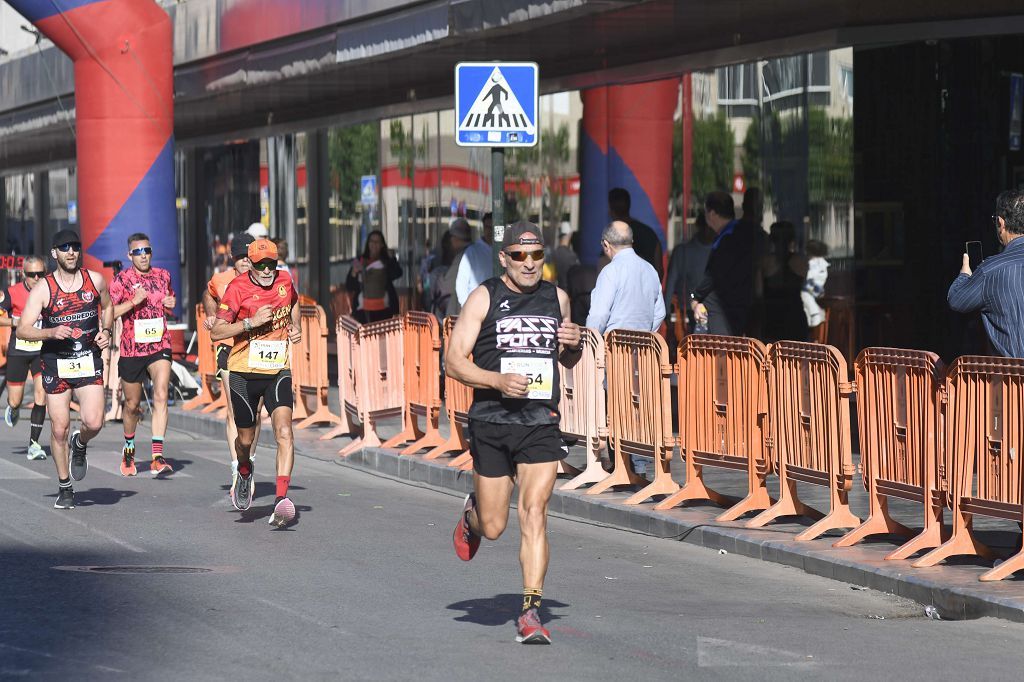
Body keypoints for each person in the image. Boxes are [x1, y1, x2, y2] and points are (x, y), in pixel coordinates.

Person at [446, 221, 582, 645]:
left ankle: (530, 610)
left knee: (535, 513)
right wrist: (497, 381)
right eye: (519, 256)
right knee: (494, 525)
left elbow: (568, 355)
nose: (529, 263)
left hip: (540, 422)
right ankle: (471, 517)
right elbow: (452, 362)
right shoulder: (485, 297)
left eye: (537, 255)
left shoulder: (556, 298)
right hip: (490, 421)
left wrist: (574, 343)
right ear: (504, 258)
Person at [17, 229, 113, 510]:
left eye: (75, 247)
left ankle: (80, 444)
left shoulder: (94, 280)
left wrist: (106, 330)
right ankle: (65, 486)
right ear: (54, 253)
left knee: (94, 422)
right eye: (65, 247)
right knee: (59, 428)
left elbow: (108, 307)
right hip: (55, 364)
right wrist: (50, 332)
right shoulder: (44, 288)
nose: (71, 252)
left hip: (87, 358)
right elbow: (23, 329)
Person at [211, 238, 302, 527]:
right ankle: (245, 468)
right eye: (260, 265)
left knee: (285, 431)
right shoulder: (237, 289)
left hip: (277, 369)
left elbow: (294, 303)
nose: (266, 270)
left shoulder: (285, 281)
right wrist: (250, 323)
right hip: (243, 373)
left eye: (271, 265)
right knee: (246, 441)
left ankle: (281, 500)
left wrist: (295, 327)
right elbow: (217, 332)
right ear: (249, 263)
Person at [109, 233, 176, 477]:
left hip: (159, 345)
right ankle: (129, 449)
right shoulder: (121, 280)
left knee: (161, 394)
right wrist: (133, 302)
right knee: (132, 405)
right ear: (129, 255)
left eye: (146, 250)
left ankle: (157, 456)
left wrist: (171, 301)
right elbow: (110, 312)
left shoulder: (163, 275)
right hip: (132, 349)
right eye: (137, 252)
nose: (143, 255)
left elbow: (170, 301)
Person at [203, 233, 262, 479]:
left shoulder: (263, 278)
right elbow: (208, 295)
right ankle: (237, 469)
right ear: (232, 258)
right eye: (240, 257)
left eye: (248, 257)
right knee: (233, 410)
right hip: (228, 346)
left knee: (255, 413)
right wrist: (211, 315)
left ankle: (249, 460)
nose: (245, 262)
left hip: (256, 348)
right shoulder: (221, 279)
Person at [948, 189, 1024, 357]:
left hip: (1013, 380)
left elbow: (957, 300)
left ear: (1000, 223)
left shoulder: (990, 271)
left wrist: (965, 275)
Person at [0, 255, 48, 460]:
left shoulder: (49, 290)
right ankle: (13, 407)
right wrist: (17, 322)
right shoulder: (12, 293)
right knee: (15, 399)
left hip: (42, 350)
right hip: (19, 351)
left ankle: (34, 444)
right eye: (31, 274)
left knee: (41, 395)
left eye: (40, 274)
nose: (36, 278)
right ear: (23, 274)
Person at [691, 191, 756, 336]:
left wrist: (695, 296)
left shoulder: (728, 238)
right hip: (746, 302)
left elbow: (715, 273)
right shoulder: (743, 231)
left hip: (729, 306)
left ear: (712, 214)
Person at [586, 221, 665, 335]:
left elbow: (599, 315)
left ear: (606, 245)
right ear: (632, 241)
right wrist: (645, 335)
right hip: (644, 348)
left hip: (613, 348)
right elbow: (660, 313)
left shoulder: (610, 271)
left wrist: (590, 341)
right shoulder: (650, 270)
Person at [663, 211, 714, 341]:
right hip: (688, 312)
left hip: (711, 311)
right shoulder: (683, 251)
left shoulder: (719, 251)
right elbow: (671, 282)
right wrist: (667, 312)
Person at [760, 221, 809, 343]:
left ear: (771, 239)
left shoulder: (764, 262)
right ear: (792, 239)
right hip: (795, 316)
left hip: (771, 317)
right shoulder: (801, 262)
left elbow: (758, 291)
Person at [346, 230, 403, 323]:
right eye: (372, 241)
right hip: (363, 311)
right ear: (368, 243)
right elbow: (350, 285)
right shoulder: (360, 260)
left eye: (377, 242)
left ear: (382, 245)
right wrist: (354, 272)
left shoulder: (386, 261)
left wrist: (392, 259)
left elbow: (397, 273)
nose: (374, 244)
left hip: (384, 310)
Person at [608, 187, 664, 280]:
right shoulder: (649, 234)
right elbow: (659, 270)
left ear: (611, 210)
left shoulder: (612, 237)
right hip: (648, 292)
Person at [453, 216, 495, 310]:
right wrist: (468, 308)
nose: (490, 231)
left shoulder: (504, 250)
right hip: (477, 309)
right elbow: (461, 284)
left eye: (493, 227)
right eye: (487, 227)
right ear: (483, 228)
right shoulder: (472, 251)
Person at [802, 240, 830, 329]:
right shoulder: (822, 263)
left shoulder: (813, 263)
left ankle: (815, 316)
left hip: (813, 290)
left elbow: (809, 279)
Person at [552, 222, 579, 290]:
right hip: (568, 293)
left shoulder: (553, 254)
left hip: (555, 291)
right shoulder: (571, 255)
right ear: (569, 235)